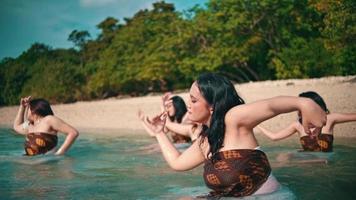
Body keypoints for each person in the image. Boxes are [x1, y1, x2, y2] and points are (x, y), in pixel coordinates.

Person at [142, 73, 326, 198]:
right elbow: (177, 163)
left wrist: (305, 103)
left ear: (212, 105)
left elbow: (271, 105)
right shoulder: (205, 141)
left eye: (194, 100)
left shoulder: (234, 120)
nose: (188, 105)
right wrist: (159, 132)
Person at [258, 91, 356, 152]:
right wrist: (257, 124)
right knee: (283, 156)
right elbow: (274, 137)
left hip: (327, 164)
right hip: (306, 163)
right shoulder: (297, 125)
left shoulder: (329, 119)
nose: (298, 111)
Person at [13, 96, 79, 156]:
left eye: (28, 109)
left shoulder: (49, 120)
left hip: (47, 166)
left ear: (33, 110)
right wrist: (22, 107)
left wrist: (59, 153)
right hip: (30, 165)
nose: (26, 112)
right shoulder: (29, 125)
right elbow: (16, 126)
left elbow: (73, 133)